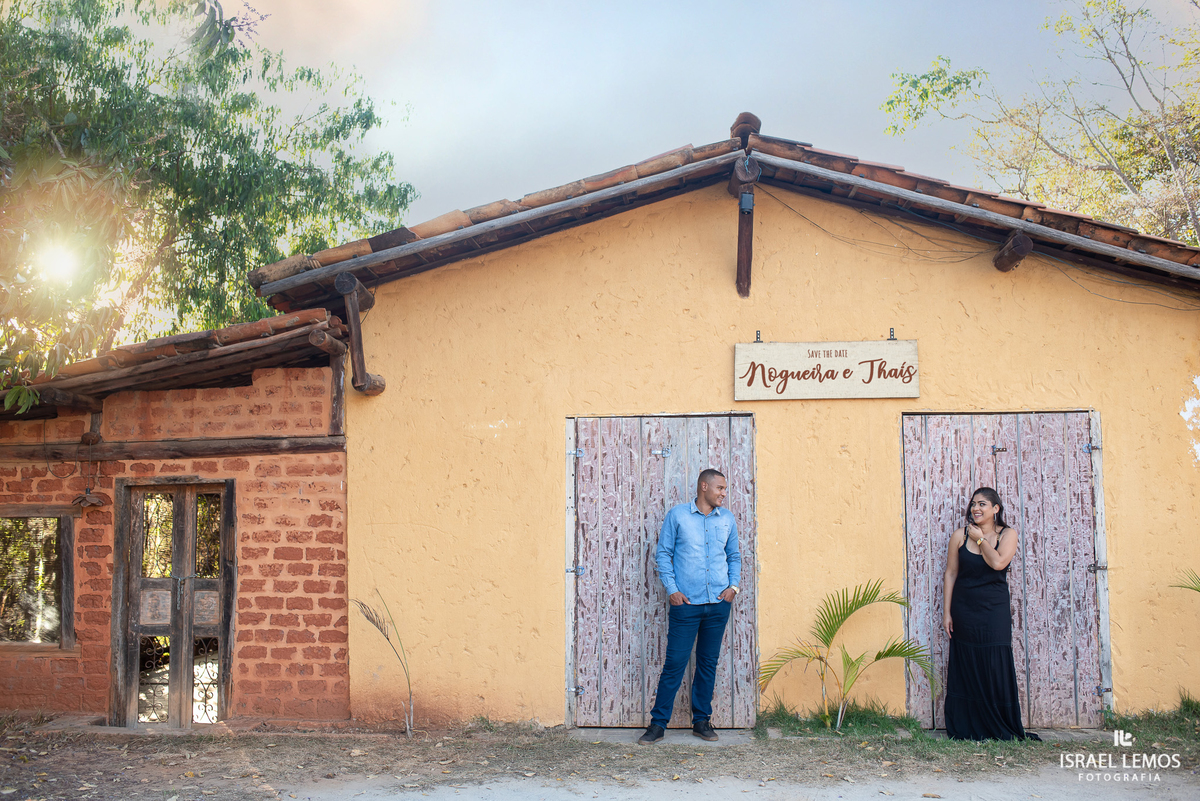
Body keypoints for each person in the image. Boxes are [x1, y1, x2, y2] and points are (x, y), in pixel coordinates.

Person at [638, 468, 741, 745]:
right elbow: (663, 553)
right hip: (686, 605)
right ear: (704, 487)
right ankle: (658, 725)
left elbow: (734, 555)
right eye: (720, 488)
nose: (723, 493)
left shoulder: (727, 519)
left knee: (708, 664)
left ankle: (701, 722)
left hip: (718, 604)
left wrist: (733, 587)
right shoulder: (678, 516)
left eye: (725, 489)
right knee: (674, 664)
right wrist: (672, 590)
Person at [942, 487, 1039, 741]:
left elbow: (997, 563)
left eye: (982, 504)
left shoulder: (1008, 534)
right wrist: (947, 612)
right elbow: (951, 573)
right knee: (967, 665)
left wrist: (981, 540)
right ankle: (967, 725)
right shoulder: (960, 536)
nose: (976, 508)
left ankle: (997, 724)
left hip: (994, 611)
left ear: (996, 509)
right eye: (974, 504)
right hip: (964, 610)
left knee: (994, 664)